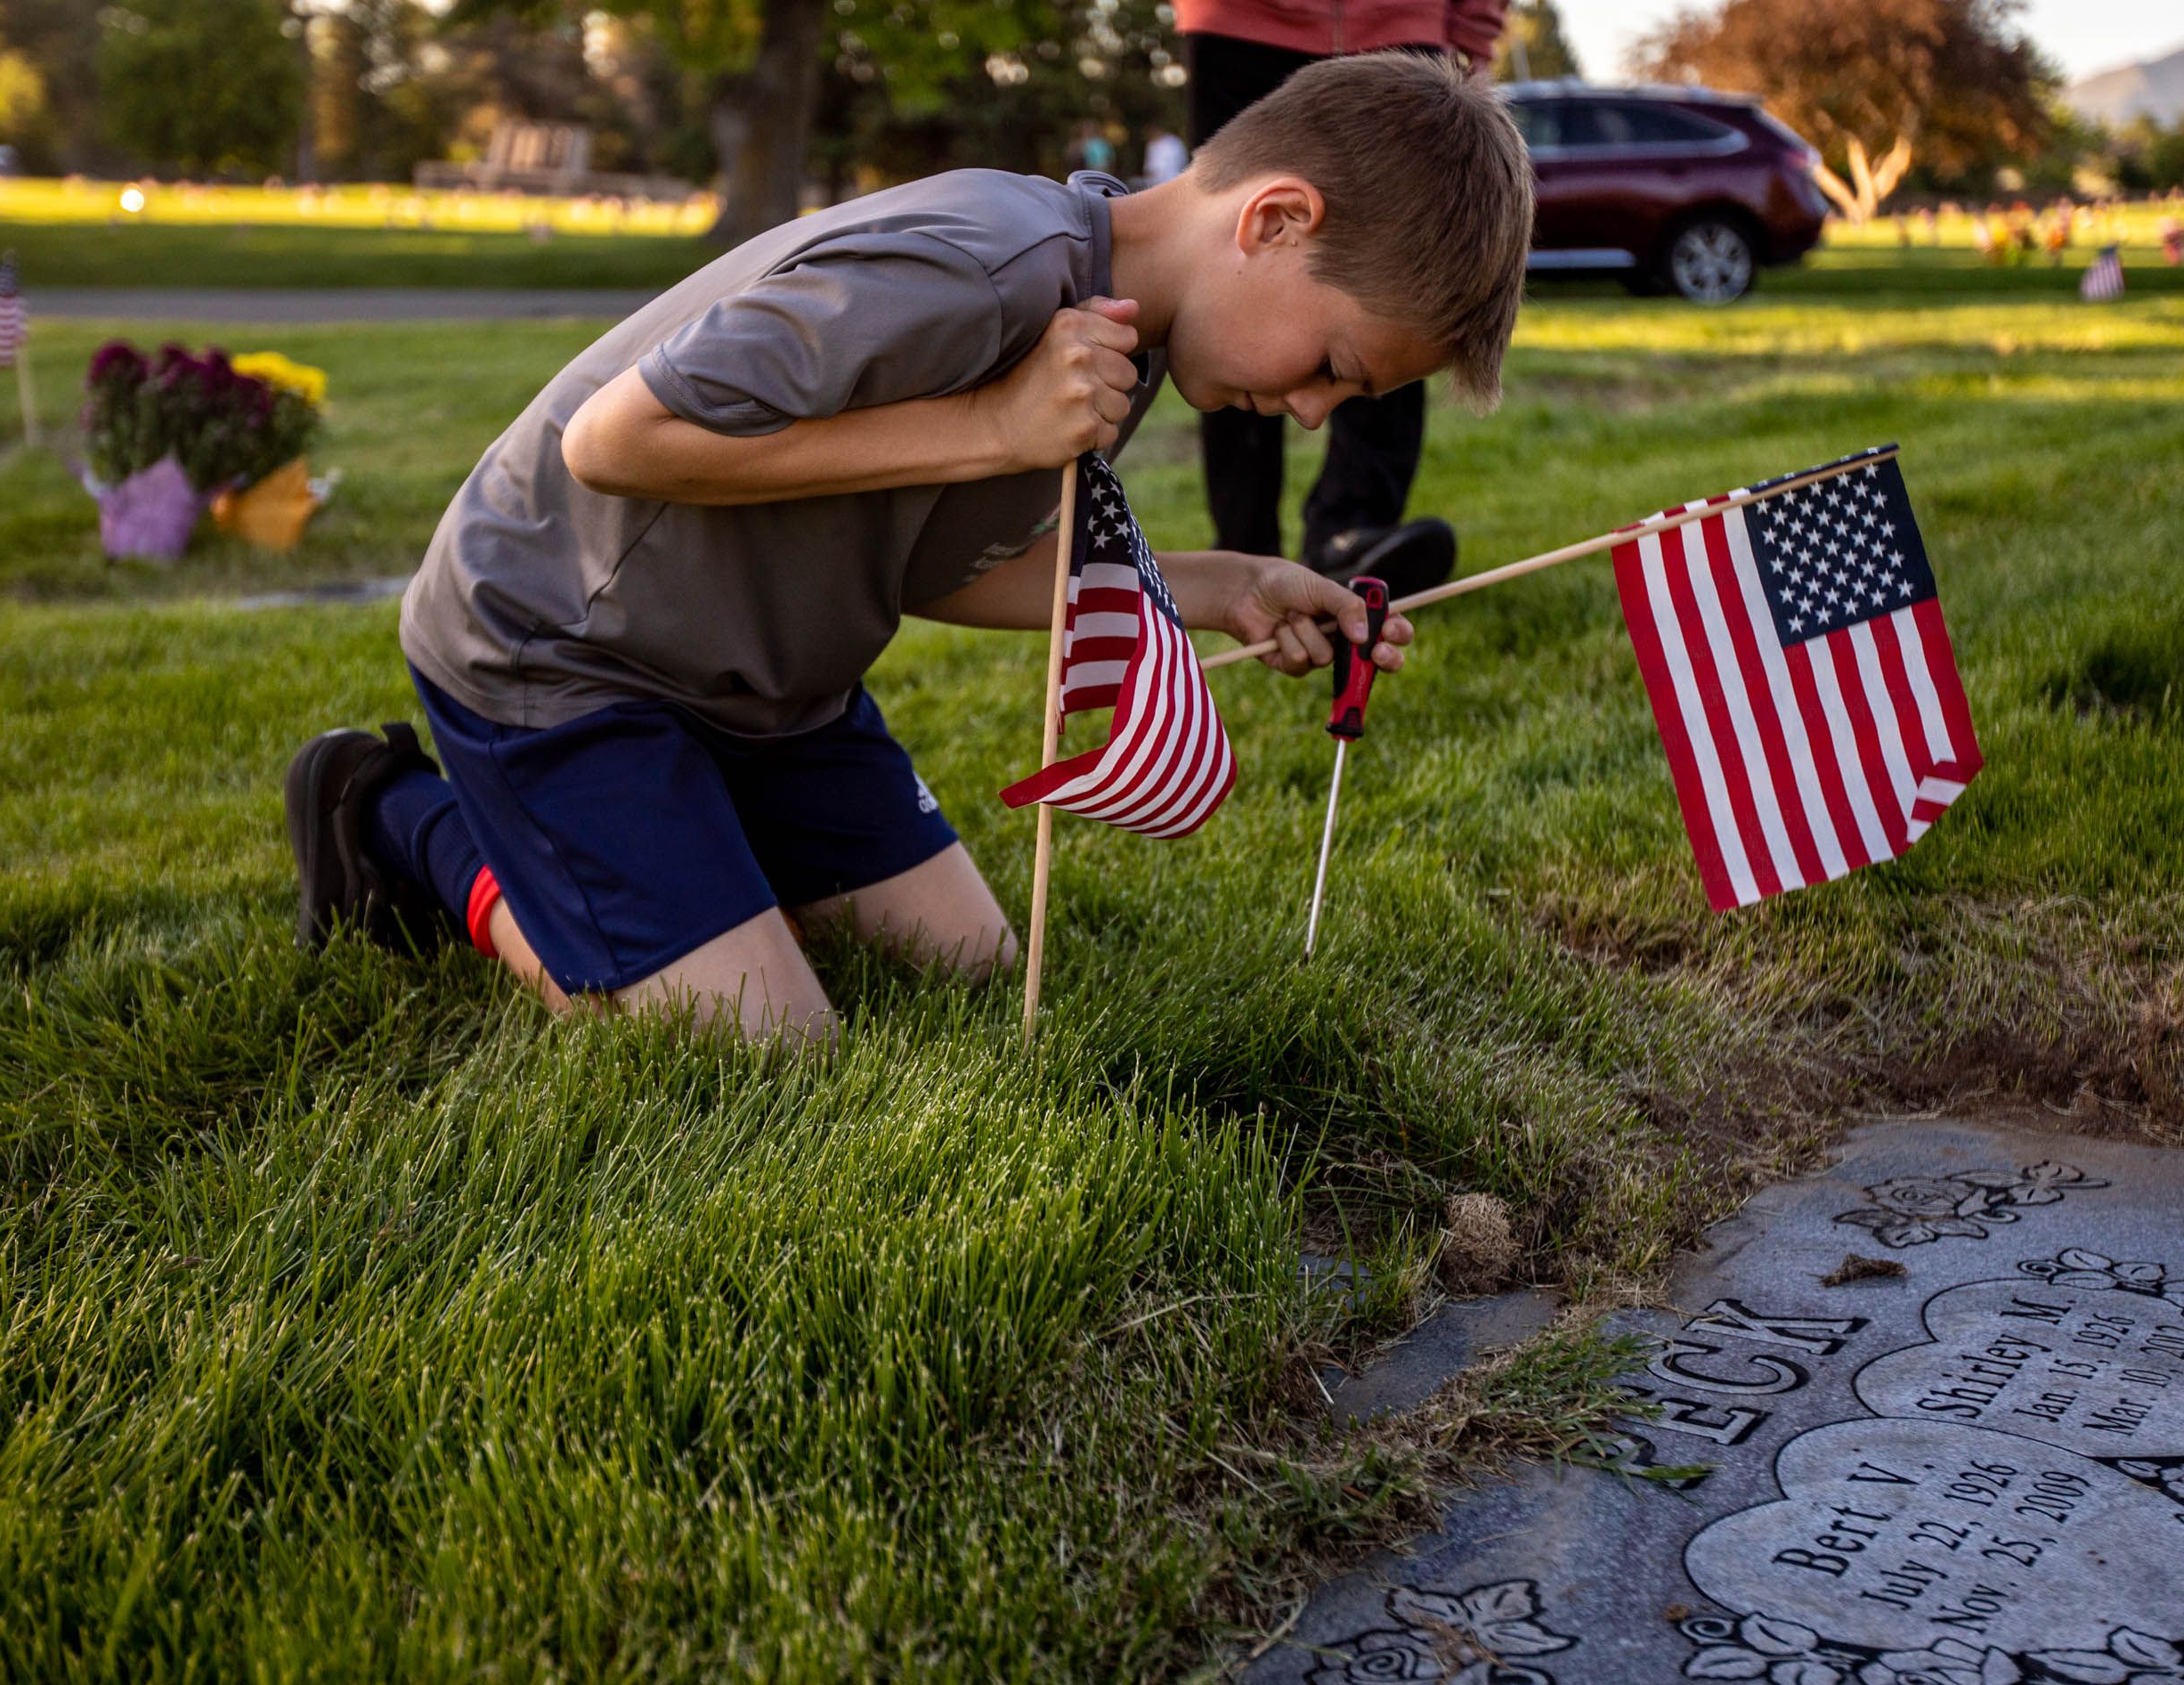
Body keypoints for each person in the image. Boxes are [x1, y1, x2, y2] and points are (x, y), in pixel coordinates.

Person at [284, 54, 1531, 1046]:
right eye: (1332, 366)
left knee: (970, 973)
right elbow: (616, 443)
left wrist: (1215, 584)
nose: (1315, 412)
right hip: (566, 648)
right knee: (758, 1054)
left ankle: (702, 854)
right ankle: (397, 816)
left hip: (777, 685)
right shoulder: (981, 263)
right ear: (1273, 219)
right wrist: (992, 421)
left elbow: (923, 559)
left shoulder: (1127, 337)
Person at [1175, 0, 1509, 598]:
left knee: (1405, 293)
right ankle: (1244, 551)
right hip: (1239, 24)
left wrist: (1472, 32)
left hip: (1403, 30)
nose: (1310, 410)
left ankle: (1354, 527)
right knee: (1231, 289)